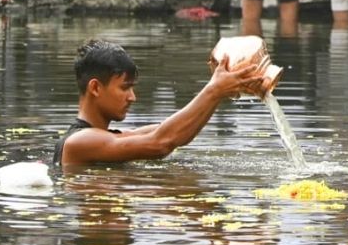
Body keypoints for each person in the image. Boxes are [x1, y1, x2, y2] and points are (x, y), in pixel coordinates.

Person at [53, 39, 267, 171]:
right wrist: (214, 90)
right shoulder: (79, 142)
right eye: (124, 88)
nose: (132, 97)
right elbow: (159, 143)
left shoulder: (105, 137)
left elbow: (168, 133)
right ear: (96, 88)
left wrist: (220, 91)